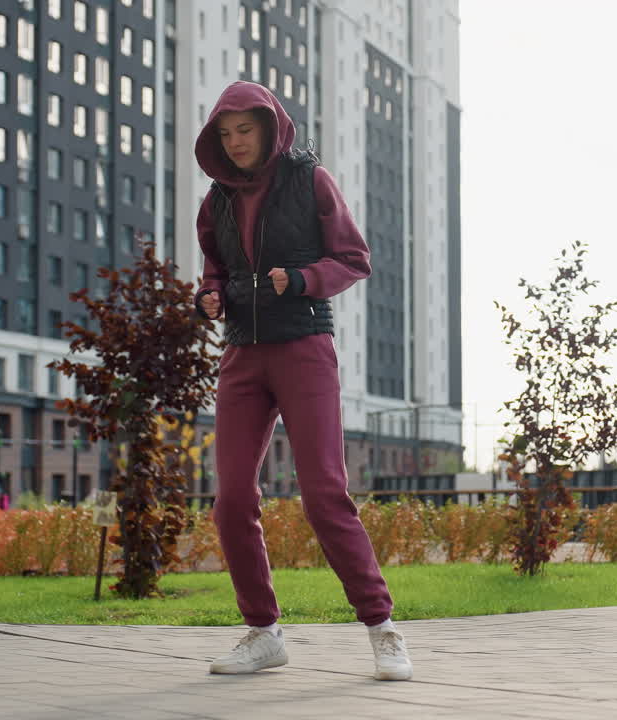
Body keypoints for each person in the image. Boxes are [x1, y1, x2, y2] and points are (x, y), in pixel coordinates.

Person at [193, 81, 413, 682]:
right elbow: (216, 268)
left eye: (246, 129)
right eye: (226, 133)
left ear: (269, 127)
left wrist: (305, 279)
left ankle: (382, 629)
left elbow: (353, 258)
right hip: (242, 356)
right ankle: (263, 633)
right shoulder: (214, 202)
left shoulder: (310, 181)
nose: (236, 142)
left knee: (323, 494)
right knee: (231, 499)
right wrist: (209, 296)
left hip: (304, 349)